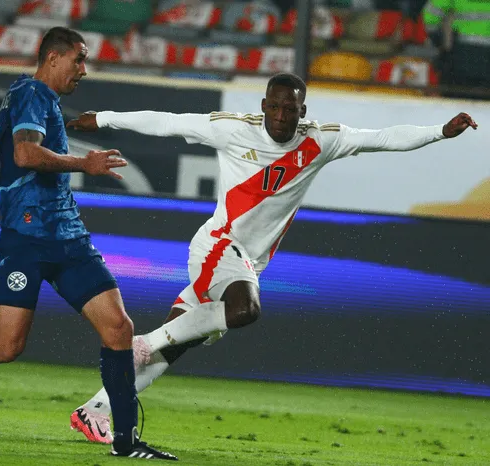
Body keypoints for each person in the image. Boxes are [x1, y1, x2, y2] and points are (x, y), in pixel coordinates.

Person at [66, 72, 478, 444]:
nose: (282, 116)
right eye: (276, 106)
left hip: (247, 260)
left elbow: (384, 138)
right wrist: (102, 119)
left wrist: (441, 131)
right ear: (263, 106)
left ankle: (95, 410)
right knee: (244, 309)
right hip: (217, 246)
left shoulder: (321, 140)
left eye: (291, 109)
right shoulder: (230, 130)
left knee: (177, 344)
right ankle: (144, 342)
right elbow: (167, 121)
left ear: (303, 111)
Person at [0, 26, 177, 461]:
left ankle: (125, 442)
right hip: (26, 241)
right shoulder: (32, 96)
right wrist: (84, 162)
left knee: (119, 329)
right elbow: (23, 155)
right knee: (6, 347)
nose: (84, 69)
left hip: (68, 237)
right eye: (79, 59)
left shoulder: (31, 99)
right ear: (54, 58)